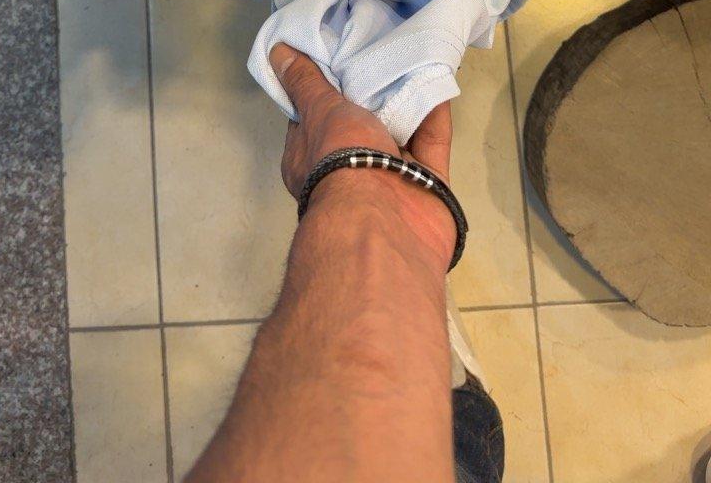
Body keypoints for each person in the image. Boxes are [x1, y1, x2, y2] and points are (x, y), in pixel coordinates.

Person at [185, 43, 505, 483]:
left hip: (439, 439)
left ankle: (408, 267)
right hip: (459, 449)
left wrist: (358, 196)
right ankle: (411, 271)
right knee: (461, 410)